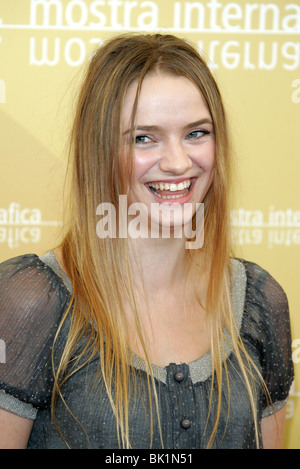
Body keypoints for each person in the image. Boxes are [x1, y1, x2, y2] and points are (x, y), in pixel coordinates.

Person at [0, 33, 294, 449]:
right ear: (98, 151)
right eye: (143, 138)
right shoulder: (29, 302)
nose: (177, 162)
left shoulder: (259, 303)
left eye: (196, 133)